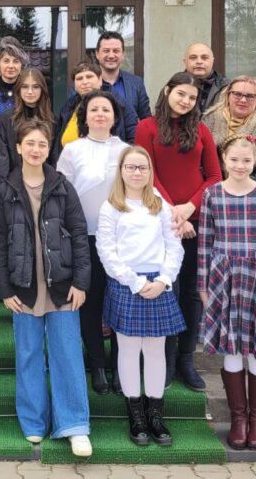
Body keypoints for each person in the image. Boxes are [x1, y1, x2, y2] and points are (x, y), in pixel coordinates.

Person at [0, 120, 93, 458]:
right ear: (18, 148)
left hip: (62, 286)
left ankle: (75, 425)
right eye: (30, 143)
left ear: (50, 149)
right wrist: (4, 289)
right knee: (29, 354)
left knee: (67, 354)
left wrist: (80, 282)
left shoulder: (63, 187)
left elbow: (79, 236)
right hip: (23, 287)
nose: (36, 150)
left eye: (42, 144)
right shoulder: (5, 191)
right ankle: (34, 421)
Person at [134, 71, 222, 391]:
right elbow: (147, 174)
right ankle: (166, 360)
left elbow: (214, 176)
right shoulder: (146, 127)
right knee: (167, 289)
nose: (185, 101)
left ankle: (186, 359)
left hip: (195, 223)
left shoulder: (201, 130)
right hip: (160, 222)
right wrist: (173, 212)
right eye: (181, 93)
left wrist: (189, 208)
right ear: (167, 90)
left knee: (191, 292)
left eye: (192, 98)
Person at [198, 135, 256, 450]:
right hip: (223, 280)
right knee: (232, 349)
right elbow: (204, 244)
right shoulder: (211, 195)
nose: (239, 165)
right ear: (223, 159)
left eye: (246, 160)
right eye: (234, 159)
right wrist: (203, 287)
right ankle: (238, 418)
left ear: (255, 162)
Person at [97, 145, 185, 446]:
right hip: (127, 283)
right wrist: (134, 282)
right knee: (129, 349)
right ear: (121, 171)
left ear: (150, 172)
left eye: (142, 168)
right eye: (131, 167)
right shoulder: (111, 207)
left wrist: (163, 280)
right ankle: (135, 416)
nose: (137, 172)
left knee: (156, 350)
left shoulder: (160, 205)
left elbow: (174, 247)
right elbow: (106, 251)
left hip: (158, 283)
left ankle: (155, 414)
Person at [56, 91, 127, 396]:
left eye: (106, 110)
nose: (100, 114)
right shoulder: (72, 150)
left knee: (120, 303)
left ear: (115, 117)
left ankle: (120, 367)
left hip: (120, 240)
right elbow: (61, 193)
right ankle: (97, 364)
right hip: (83, 238)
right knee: (91, 302)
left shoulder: (126, 151)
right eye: (94, 109)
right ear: (84, 116)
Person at [203, 76, 256, 189]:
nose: (243, 100)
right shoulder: (208, 121)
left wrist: (243, 186)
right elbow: (197, 163)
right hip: (213, 191)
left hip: (252, 193)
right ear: (228, 95)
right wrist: (217, 187)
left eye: (250, 96)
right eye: (237, 94)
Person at [53, 61, 138, 158]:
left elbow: (133, 139)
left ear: (100, 79)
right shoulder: (68, 107)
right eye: (79, 78)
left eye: (89, 77)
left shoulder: (120, 105)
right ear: (75, 86)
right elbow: (57, 146)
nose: (85, 82)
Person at [0, 67, 55, 191]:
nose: (30, 92)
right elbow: (0, 160)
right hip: (12, 187)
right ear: (18, 89)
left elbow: (54, 159)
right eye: (25, 87)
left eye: (35, 87)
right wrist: (4, 192)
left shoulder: (52, 121)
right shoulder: (5, 120)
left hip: (43, 187)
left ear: (42, 89)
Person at [94, 31, 152, 120]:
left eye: (116, 51)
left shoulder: (137, 83)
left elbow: (146, 120)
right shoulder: (86, 82)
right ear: (97, 54)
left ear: (122, 55)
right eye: (106, 51)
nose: (111, 55)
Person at [0, 36, 31, 115]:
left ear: (21, 65)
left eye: (16, 61)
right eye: (6, 61)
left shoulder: (28, 90)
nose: (11, 66)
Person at [183, 42, 229, 114]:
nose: (199, 62)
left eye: (204, 58)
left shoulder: (227, 88)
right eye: (193, 58)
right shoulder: (174, 86)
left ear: (212, 61)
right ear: (184, 62)